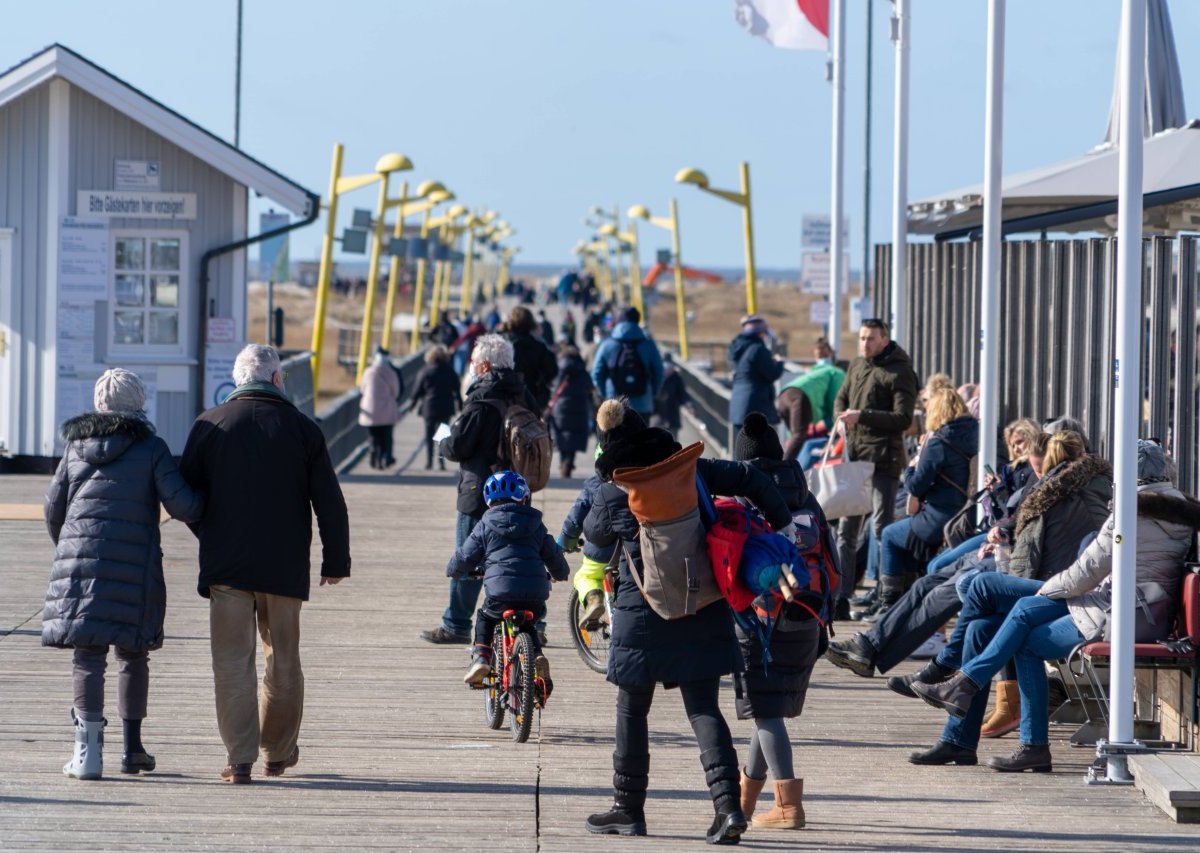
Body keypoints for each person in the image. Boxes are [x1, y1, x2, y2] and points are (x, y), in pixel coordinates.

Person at [582, 399, 796, 844]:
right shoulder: (691, 469)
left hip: (641, 613)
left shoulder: (611, 491)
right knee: (703, 708)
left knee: (632, 709)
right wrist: (782, 525)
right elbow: (751, 476)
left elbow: (596, 539)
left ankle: (628, 809)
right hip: (702, 603)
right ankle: (727, 810)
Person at [912, 440, 1198, 771]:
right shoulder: (1177, 510)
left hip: (1119, 611)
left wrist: (1044, 592)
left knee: (1015, 625)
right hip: (1126, 606)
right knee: (981, 621)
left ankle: (973, 695)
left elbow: (1086, 572)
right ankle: (960, 724)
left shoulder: (1132, 512)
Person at [179, 344, 351, 784]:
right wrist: (335, 560)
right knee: (284, 662)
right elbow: (329, 502)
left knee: (232, 663)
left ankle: (240, 761)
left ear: (238, 380)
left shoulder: (208, 424)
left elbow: (187, 498)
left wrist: (211, 536)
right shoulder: (302, 429)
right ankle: (277, 754)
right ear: (277, 379)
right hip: (283, 566)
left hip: (226, 567)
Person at [904, 430, 1111, 766]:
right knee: (979, 629)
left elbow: (1089, 562)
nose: (1037, 473)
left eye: (1041, 466)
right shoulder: (1060, 491)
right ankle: (958, 739)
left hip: (1073, 595)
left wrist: (1039, 580)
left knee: (982, 586)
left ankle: (947, 668)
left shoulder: (1084, 494)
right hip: (1056, 588)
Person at [43, 368, 205, 780]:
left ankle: (87, 754)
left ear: (99, 404)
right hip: (134, 566)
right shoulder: (151, 448)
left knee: (88, 655)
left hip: (80, 563)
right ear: (140, 405)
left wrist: (70, 547)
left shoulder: (75, 447)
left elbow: (53, 510)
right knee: (133, 653)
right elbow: (184, 506)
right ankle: (132, 751)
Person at [730, 413, 825, 831]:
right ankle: (745, 802)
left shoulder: (742, 500)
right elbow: (836, 561)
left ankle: (788, 805)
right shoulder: (807, 497)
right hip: (809, 612)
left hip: (761, 619)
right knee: (767, 710)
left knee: (765, 710)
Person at [421, 335, 538, 645]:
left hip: (479, 492)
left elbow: (459, 446)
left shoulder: (482, 399)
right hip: (517, 489)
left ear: (484, 365)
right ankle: (533, 624)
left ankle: (457, 624)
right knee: (520, 556)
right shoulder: (522, 394)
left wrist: (442, 439)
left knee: (469, 558)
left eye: (473, 363)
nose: (471, 369)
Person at [448, 471, 570, 686]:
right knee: (529, 623)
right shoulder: (536, 525)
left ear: (488, 502)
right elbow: (553, 555)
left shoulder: (485, 525)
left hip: (500, 592)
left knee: (486, 617)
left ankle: (481, 659)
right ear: (524, 498)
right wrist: (560, 574)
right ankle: (537, 655)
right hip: (535, 592)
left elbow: (465, 555)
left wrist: (455, 571)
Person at [831, 318, 918, 618]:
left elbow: (903, 419)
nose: (865, 343)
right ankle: (841, 597)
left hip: (884, 459)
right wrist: (841, 416)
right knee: (846, 530)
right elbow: (841, 398)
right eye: (862, 338)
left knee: (881, 528)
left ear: (884, 339)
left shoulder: (900, 371)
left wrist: (862, 416)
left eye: (871, 339)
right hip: (854, 458)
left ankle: (885, 594)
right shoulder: (857, 365)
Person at [866, 388, 978, 617]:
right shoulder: (977, 433)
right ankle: (903, 598)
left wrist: (910, 468)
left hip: (940, 517)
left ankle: (889, 602)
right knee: (902, 534)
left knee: (889, 534)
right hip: (968, 514)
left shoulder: (939, 441)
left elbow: (916, 486)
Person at [777, 338, 846, 462]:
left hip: (783, 396)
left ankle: (790, 467)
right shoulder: (835, 372)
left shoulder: (813, 372)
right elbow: (834, 401)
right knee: (799, 436)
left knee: (796, 439)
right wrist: (832, 422)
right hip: (799, 397)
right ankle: (783, 470)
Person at [590, 306, 664, 420]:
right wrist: (650, 393)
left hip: (614, 406)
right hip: (643, 405)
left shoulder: (607, 345)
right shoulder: (648, 344)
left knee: (617, 438)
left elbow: (596, 373)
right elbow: (659, 372)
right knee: (642, 437)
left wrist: (606, 394)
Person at [728, 314, 784, 435]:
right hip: (754, 406)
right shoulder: (758, 349)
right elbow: (772, 374)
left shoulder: (739, 347)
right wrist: (779, 363)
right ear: (761, 333)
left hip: (739, 406)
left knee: (742, 447)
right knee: (757, 448)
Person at [409, 345, 461, 470]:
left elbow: (417, 389)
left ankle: (429, 462)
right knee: (442, 435)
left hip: (429, 406)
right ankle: (441, 462)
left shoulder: (425, 371)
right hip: (446, 406)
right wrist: (460, 403)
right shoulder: (450, 371)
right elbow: (457, 389)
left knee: (429, 434)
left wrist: (413, 403)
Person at [547, 346, 594, 479]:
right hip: (579, 407)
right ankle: (569, 461)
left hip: (561, 408)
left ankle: (563, 462)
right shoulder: (582, 371)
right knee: (574, 437)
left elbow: (553, 388)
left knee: (562, 436)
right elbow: (590, 387)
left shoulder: (559, 369)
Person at [504, 306, 559, 411]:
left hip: (506, 398)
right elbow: (552, 370)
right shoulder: (538, 346)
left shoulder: (503, 344)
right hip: (531, 398)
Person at [359, 346, 401, 469]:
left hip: (370, 410)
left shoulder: (368, 372)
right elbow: (396, 392)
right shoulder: (391, 373)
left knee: (373, 436)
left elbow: (362, 389)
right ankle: (385, 457)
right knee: (386, 436)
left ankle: (373, 452)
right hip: (387, 410)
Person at [651, 352, 689, 437]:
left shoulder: (677, 378)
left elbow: (682, 395)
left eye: (669, 367)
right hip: (658, 418)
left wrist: (688, 404)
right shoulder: (655, 377)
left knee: (674, 445)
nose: (667, 370)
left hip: (672, 419)